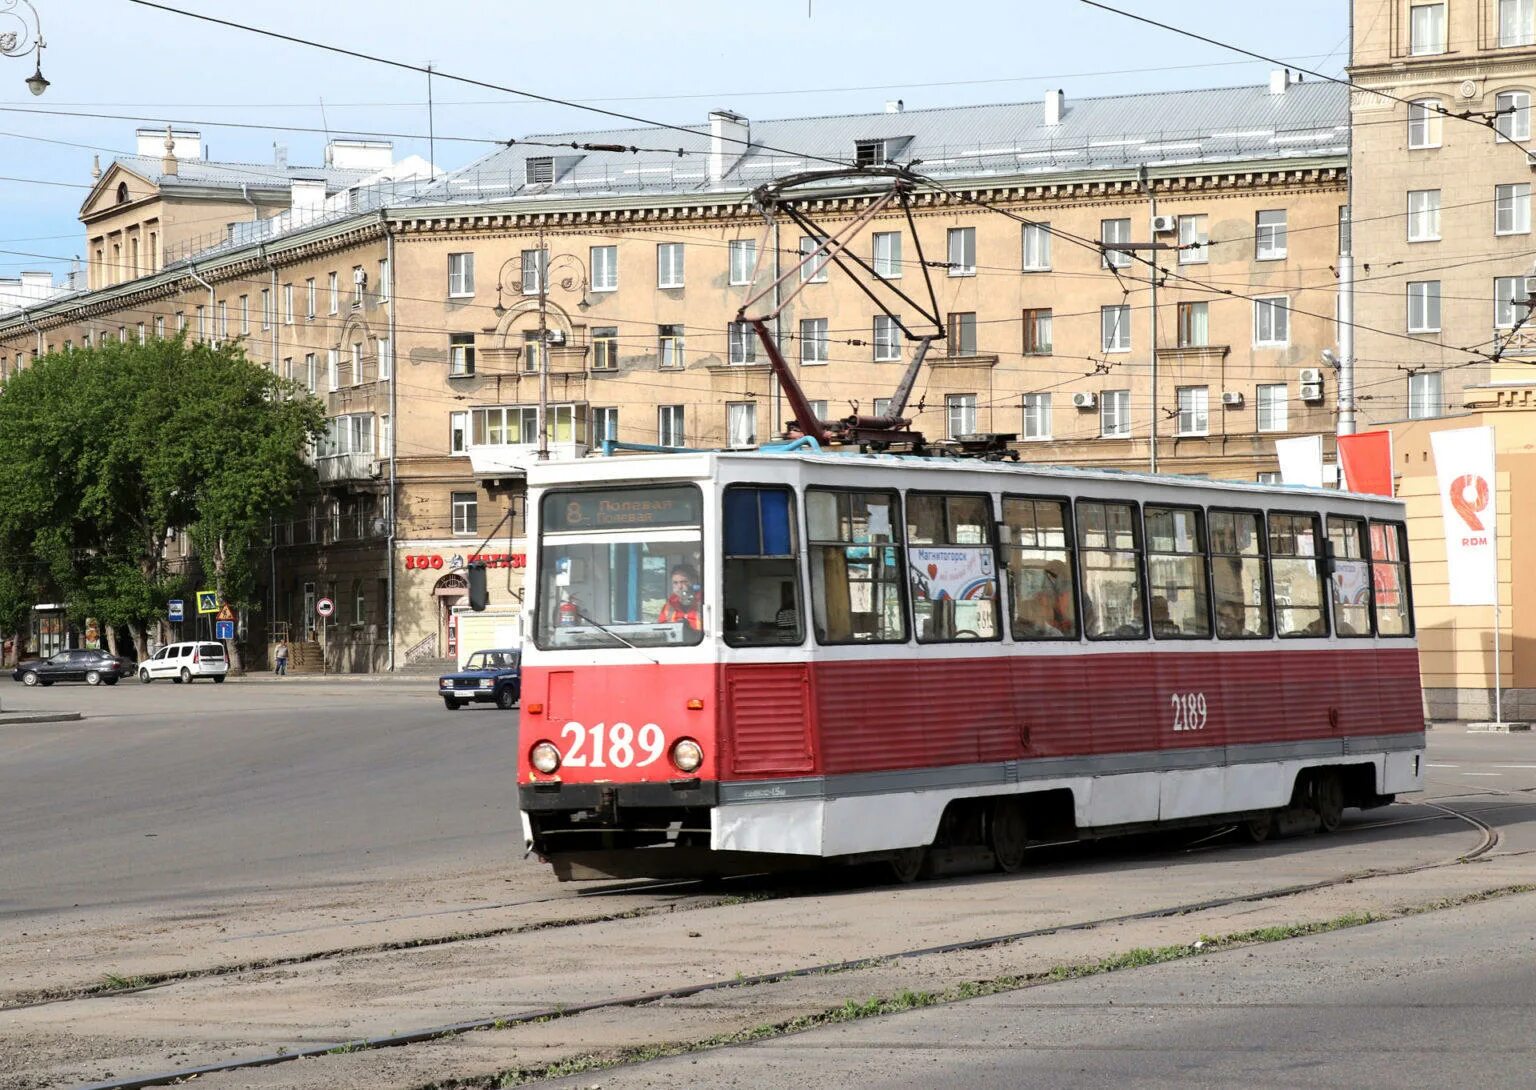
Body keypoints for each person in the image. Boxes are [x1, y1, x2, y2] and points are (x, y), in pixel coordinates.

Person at [658, 563, 703, 630]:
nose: (679, 587)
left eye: (684, 582)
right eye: (675, 583)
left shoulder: (704, 602)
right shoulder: (669, 606)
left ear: (694, 581)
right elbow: (661, 630)